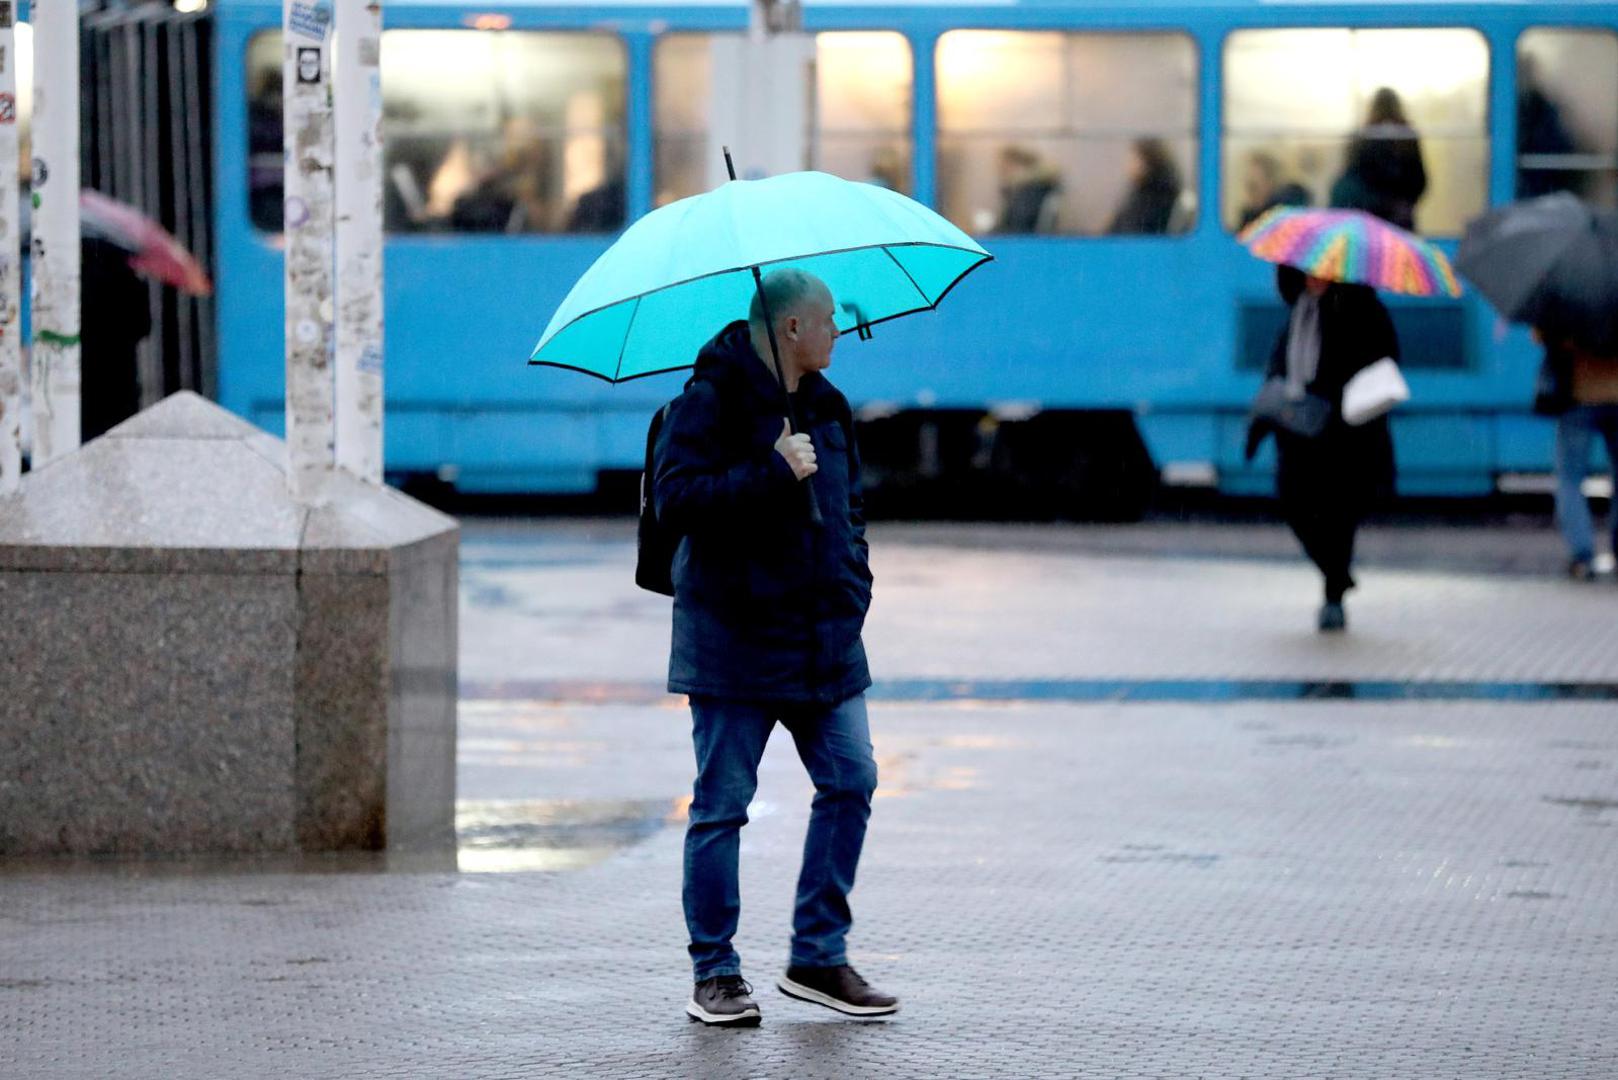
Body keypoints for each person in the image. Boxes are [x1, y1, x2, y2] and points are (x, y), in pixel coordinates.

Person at [652, 268, 898, 1026]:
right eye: (830, 318)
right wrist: (769, 470)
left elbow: (848, 507)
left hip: (825, 637)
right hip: (735, 642)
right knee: (723, 807)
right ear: (792, 328)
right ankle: (716, 973)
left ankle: (818, 957)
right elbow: (677, 502)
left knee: (852, 780)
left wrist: (854, 585)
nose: (840, 331)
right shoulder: (708, 402)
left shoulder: (827, 405)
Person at [1246, 266, 1398, 631]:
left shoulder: (1362, 309)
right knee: (1294, 502)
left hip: (1344, 435)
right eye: (1308, 270)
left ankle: (1333, 595)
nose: (1316, 277)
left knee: (1338, 514)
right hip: (1297, 429)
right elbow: (1279, 366)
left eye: (1325, 270)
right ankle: (1337, 573)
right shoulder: (1299, 311)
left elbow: (1382, 360)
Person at [1536, 332, 1618, 578]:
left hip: (1578, 398)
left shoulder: (1572, 301)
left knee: (1570, 479)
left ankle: (1582, 558)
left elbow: (1540, 335)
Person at [79, 237, 152, 441]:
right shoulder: (132, 283)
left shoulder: (82, 283)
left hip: (88, 376)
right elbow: (144, 328)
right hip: (122, 376)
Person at [1331, 88, 1427, 231]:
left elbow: (1351, 180)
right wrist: (1402, 205)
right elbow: (1419, 181)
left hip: (1368, 221)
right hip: (1400, 222)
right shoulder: (1406, 137)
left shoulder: (1362, 137)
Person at [1517, 56, 1581, 200]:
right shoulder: (1512, 104)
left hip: (1540, 180)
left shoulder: (1540, 105)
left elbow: (1557, 145)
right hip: (1530, 179)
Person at [1107, 138, 1183, 236]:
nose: (1128, 166)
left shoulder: (1158, 197)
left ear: (1148, 162)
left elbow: (1134, 231)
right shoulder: (1138, 191)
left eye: (1134, 160)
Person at [995, 145, 1060, 234]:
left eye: (1005, 166)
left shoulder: (1030, 192)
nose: (1002, 171)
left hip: (1021, 240)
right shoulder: (1023, 190)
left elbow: (1019, 225)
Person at [1238, 151, 1312, 229]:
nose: (1249, 193)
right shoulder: (1249, 218)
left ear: (1271, 182)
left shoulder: (1285, 218)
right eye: (1248, 186)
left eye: (1254, 187)